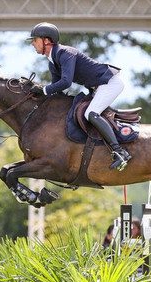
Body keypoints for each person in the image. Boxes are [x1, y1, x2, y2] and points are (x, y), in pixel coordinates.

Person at [27, 22, 132, 171]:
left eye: (35, 40)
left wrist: (43, 90)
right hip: (99, 86)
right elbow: (57, 91)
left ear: (46, 41)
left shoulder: (65, 53)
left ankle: (119, 151)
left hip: (110, 83)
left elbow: (66, 82)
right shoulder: (53, 63)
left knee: (91, 113)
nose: (32, 43)